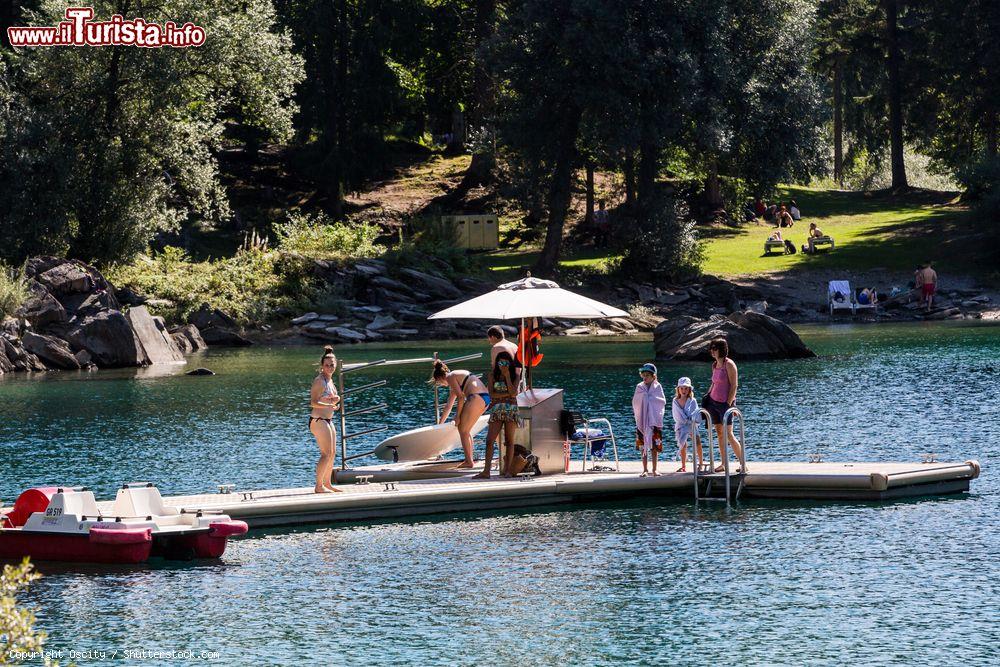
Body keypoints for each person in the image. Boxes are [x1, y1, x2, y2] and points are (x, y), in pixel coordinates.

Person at [475, 326, 522, 479]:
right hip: (501, 406)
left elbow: (513, 392)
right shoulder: (513, 346)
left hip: (509, 406)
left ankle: (507, 471)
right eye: (500, 362)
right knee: (490, 440)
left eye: (505, 362)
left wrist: (506, 376)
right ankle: (486, 471)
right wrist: (505, 393)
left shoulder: (497, 348)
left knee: (509, 441)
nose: (502, 363)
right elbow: (493, 393)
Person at [432, 360, 490, 469]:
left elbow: (461, 397)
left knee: (462, 430)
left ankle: (469, 461)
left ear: (440, 378)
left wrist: (457, 416)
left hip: (476, 397)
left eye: (438, 382)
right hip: (485, 398)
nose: (440, 385)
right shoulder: (455, 380)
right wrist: (440, 425)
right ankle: (470, 459)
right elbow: (448, 406)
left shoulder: (450, 376)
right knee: (466, 430)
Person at [702, 338, 745, 473]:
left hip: (725, 404)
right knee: (720, 434)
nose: (712, 351)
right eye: (711, 348)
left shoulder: (729, 364)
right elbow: (714, 383)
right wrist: (707, 397)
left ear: (722, 349)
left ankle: (743, 463)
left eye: (715, 348)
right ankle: (723, 463)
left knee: (729, 434)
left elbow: (734, 385)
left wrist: (729, 404)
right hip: (713, 402)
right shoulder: (715, 365)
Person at [309, 346, 343, 493]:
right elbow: (313, 402)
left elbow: (331, 400)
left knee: (333, 452)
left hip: (328, 420)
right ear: (322, 366)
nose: (330, 367)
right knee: (326, 453)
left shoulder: (330, 381)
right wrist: (330, 403)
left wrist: (336, 400)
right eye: (327, 365)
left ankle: (327, 483)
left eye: (332, 365)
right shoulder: (319, 381)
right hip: (318, 420)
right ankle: (318, 486)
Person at [632, 363, 667, 477]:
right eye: (643, 375)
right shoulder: (639, 387)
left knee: (654, 447)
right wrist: (645, 399)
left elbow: (661, 402)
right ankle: (645, 469)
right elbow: (635, 403)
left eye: (648, 375)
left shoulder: (658, 387)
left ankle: (654, 469)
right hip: (642, 421)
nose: (645, 377)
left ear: (653, 376)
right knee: (643, 446)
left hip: (654, 421)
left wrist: (649, 400)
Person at [672, 377, 703, 473]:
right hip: (681, 424)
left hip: (691, 424)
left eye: (686, 388)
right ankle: (683, 465)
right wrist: (684, 420)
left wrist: (690, 420)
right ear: (678, 389)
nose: (684, 390)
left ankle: (701, 463)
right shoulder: (675, 401)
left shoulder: (692, 400)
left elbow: (696, 413)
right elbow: (676, 415)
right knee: (683, 444)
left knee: (697, 441)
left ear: (689, 389)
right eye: (681, 388)